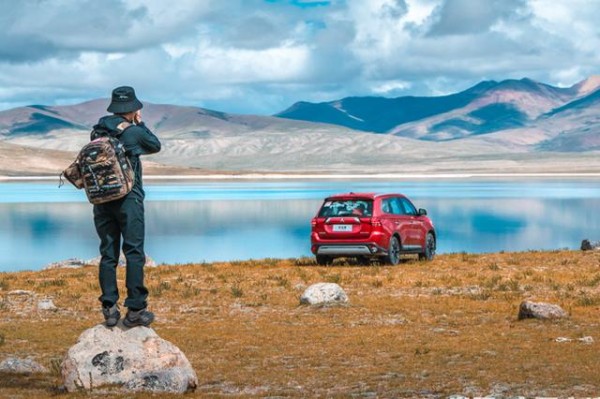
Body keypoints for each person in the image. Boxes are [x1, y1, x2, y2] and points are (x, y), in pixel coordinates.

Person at [93, 86, 161, 328]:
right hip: (128, 200)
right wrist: (140, 124)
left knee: (108, 254)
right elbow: (155, 144)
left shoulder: (97, 131)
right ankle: (135, 311)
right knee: (133, 253)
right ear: (133, 109)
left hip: (101, 201)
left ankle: (109, 309)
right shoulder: (133, 133)